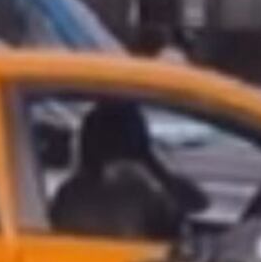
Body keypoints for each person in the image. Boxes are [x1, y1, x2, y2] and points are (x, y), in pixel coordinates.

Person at [50, 97, 205, 242]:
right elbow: (197, 204)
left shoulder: (69, 194)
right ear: (139, 142)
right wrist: (152, 164)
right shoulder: (146, 192)